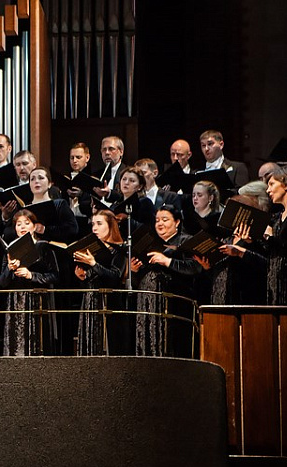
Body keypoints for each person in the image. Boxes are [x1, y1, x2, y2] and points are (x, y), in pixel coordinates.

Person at [220, 170, 287, 305]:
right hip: (275, 282)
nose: (268, 190)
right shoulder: (277, 216)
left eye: (271, 184)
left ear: (286, 184)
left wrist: (269, 238)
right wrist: (251, 241)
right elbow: (270, 251)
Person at [128, 206, 201, 357]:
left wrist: (167, 261)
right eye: (157, 220)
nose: (160, 223)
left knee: (174, 345)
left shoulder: (186, 240)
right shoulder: (149, 244)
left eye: (165, 219)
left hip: (176, 304)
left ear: (177, 222)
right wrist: (134, 270)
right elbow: (138, 281)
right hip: (149, 304)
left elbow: (195, 268)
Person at [0, 209, 59, 356]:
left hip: (37, 300)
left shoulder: (43, 246)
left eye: (27, 223)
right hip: (15, 302)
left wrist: (31, 275)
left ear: (34, 226)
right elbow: (2, 282)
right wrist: (9, 268)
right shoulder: (10, 250)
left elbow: (54, 276)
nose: (22, 227)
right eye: (18, 224)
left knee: (38, 341)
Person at [71, 210, 126, 356]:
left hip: (108, 304)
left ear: (110, 226)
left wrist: (93, 263)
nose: (94, 228)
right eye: (93, 224)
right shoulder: (91, 250)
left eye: (99, 224)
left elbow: (114, 276)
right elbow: (91, 280)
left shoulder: (118, 251)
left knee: (106, 345)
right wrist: (83, 277)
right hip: (90, 302)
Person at [93, 136, 126, 203]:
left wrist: (109, 193)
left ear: (121, 152)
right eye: (104, 150)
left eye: (111, 149)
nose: (107, 153)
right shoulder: (97, 175)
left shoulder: (128, 173)